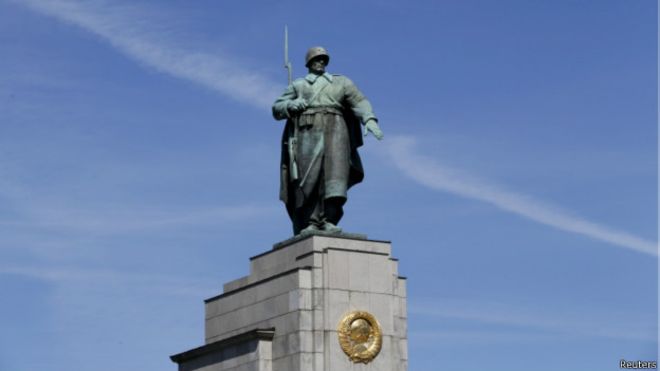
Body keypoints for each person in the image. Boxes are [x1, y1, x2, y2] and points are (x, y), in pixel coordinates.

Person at [272, 46, 384, 235]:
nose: (321, 62)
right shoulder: (299, 85)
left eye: (324, 59)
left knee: (335, 177)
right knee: (309, 179)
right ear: (308, 62)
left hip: (336, 128)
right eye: (317, 59)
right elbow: (277, 108)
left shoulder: (341, 82)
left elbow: (359, 101)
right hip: (308, 130)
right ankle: (310, 221)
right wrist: (291, 104)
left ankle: (329, 220)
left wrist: (370, 119)